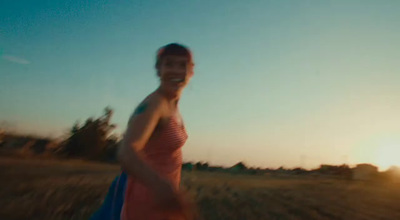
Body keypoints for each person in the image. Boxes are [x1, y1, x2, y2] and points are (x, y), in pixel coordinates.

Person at [117, 43, 195, 220]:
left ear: (191, 71)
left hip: (163, 202)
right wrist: (161, 187)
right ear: (158, 69)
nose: (176, 71)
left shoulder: (171, 105)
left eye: (182, 65)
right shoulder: (155, 104)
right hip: (147, 201)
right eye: (169, 64)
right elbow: (127, 152)